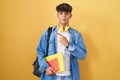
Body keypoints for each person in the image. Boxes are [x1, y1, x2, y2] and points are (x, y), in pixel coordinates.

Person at [37, 3, 87, 80]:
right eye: (61, 13)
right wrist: (45, 67)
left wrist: (68, 45)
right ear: (57, 15)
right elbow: (40, 52)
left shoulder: (76, 35)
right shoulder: (48, 33)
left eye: (66, 13)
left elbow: (83, 55)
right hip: (52, 75)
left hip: (70, 76)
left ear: (70, 15)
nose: (63, 16)